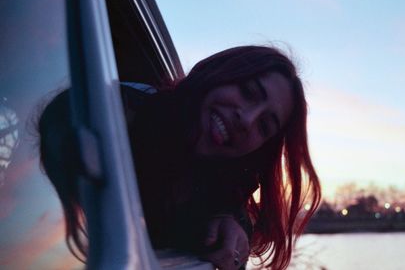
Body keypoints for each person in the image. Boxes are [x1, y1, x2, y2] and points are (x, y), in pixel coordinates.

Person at [38, 46, 321, 270]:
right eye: (248, 92)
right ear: (218, 72)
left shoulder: (226, 199)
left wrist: (228, 231)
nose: (246, 120)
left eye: (264, 126)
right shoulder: (106, 116)